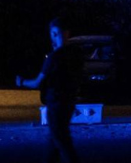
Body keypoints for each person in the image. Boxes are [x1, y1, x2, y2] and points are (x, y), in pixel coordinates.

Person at [16, 18, 82, 163]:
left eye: (56, 33)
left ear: (66, 34)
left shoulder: (54, 58)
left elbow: (37, 83)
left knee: (61, 141)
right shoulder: (74, 55)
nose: (54, 38)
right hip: (68, 103)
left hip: (56, 104)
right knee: (54, 141)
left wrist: (21, 81)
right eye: (52, 34)